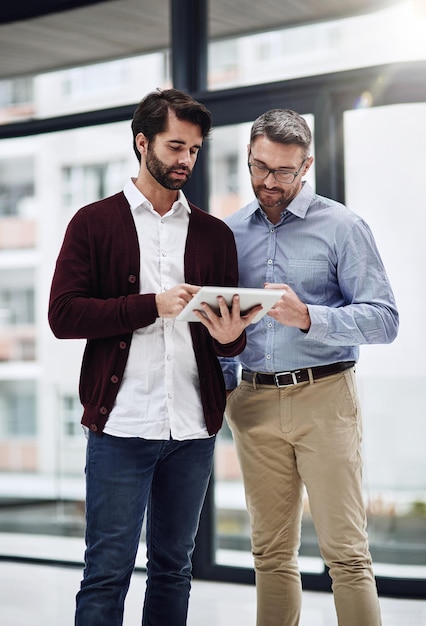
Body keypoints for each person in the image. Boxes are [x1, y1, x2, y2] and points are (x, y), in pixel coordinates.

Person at [48, 88, 259, 626]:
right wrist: (151, 304)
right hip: (122, 427)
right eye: (175, 146)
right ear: (142, 143)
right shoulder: (93, 223)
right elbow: (64, 315)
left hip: (192, 430)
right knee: (106, 572)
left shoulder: (214, 233)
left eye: (194, 149)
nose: (186, 159)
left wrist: (232, 335)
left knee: (173, 569)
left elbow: (226, 344)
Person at [221, 108, 399, 626]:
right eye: (258, 167)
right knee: (270, 554)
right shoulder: (229, 233)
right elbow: (219, 328)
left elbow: (385, 320)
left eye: (283, 171)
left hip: (326, 398)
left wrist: (307, 317)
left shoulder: (342, 226)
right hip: (252, 401)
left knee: (345, 553)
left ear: (307, 166)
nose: (268, 182)